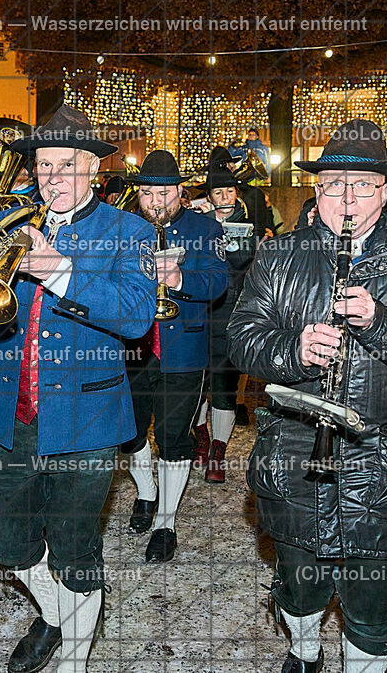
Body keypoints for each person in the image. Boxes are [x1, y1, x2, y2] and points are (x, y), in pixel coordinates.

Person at [227, 118, 387, 673]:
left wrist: (382, 321)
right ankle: (303, 650)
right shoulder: (278, 256)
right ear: (318, 191)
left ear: (385, 194)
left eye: (362, 185)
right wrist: (293, 350)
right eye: (334, 184)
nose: (347, 199)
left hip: (380, 466)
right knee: (299, 588)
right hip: (294, 460)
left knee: (370, 606)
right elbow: (241, 340)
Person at [0, 104, 155, 673]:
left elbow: (137, 317)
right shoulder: (11, 220)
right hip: (11, 415)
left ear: (94, 169)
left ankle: (75, 656)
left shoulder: (129, 231)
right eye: (43, 165)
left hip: (88, 422)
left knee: (75, 551)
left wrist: (60, 271)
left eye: (67, 165)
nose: (53, 177)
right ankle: (61, 614)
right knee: (8, 545)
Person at [121, 150, 228, 563]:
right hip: (133, 348)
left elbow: (218, 281)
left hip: (183, 350)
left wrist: (180, 278)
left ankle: (165, 523)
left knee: (173, 438)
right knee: (130, 433)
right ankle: (147, 493)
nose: (154, 202)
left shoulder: (205, 228)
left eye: (163, 193)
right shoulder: (125, 227)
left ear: (180, 191)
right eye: (147, 194)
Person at [191, 163, 258, 483]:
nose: (226, 197)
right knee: (194, 384)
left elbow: (241, 259)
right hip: (197, 313)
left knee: (224, 387)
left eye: (230, 191)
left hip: (229, 314)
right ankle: (201, 438)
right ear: (209, 196)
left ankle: (218, 451)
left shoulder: (247, 224)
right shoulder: (198, 223)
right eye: (219, 192)